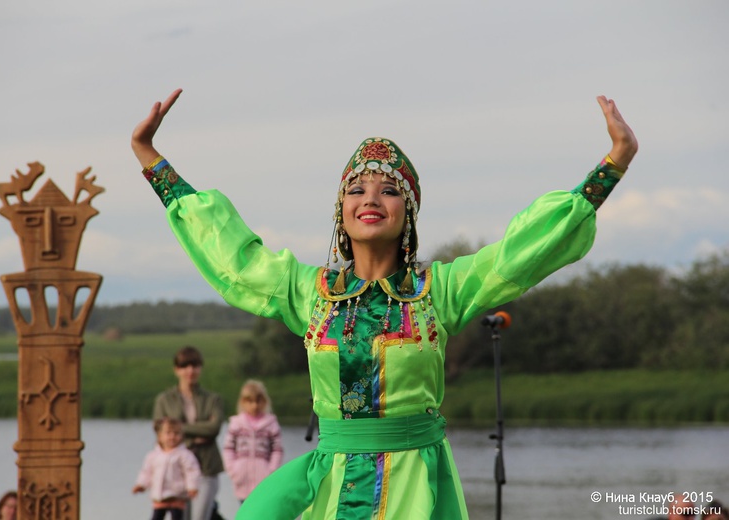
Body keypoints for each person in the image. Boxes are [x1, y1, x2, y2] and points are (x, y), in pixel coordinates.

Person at [131, 88, 638, 520]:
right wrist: (151, 158)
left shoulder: (440, 290)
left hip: (414, 482)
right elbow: (231, 253)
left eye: (389, 190)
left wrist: (611, 165)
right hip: (330, 481)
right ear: (342, 213)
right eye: (357, 188)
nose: (371, 197)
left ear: (409, 214)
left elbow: (521, 252)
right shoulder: (311, 293)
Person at [153, 346, 225, 520]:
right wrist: (199, 430)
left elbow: (213, 428)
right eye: (185, 366)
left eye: (195, 366)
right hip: (177, 472)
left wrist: (179, 429)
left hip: (207, 467)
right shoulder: (164, 400)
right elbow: (159, 430)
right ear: (177, 370)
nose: (190, 371)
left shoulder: (212, 399)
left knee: (200, 516)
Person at [222, 379, 284, 503]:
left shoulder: (271, 424)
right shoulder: (236, 424)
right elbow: (228, 449)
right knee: (245, 512)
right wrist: (233, 470)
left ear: (264, 402)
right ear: (243, 402)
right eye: (250, 401)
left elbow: (277, 450)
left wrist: (271, 471)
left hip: (264, 479)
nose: (254, 405)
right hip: (242, 479)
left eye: (258, 401)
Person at [133, 417, 202, 520]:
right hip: (159, 495)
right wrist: (141, 485)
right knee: (156, 517)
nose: (172, 437)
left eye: (176, 433)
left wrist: (192, 487)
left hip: (177, 495)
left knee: (177, 517)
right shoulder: (153, 455)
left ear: (181, 436)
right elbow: (146, 472)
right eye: (168, 433)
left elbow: (192, 471)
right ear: (160, 436)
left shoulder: (184, 455)